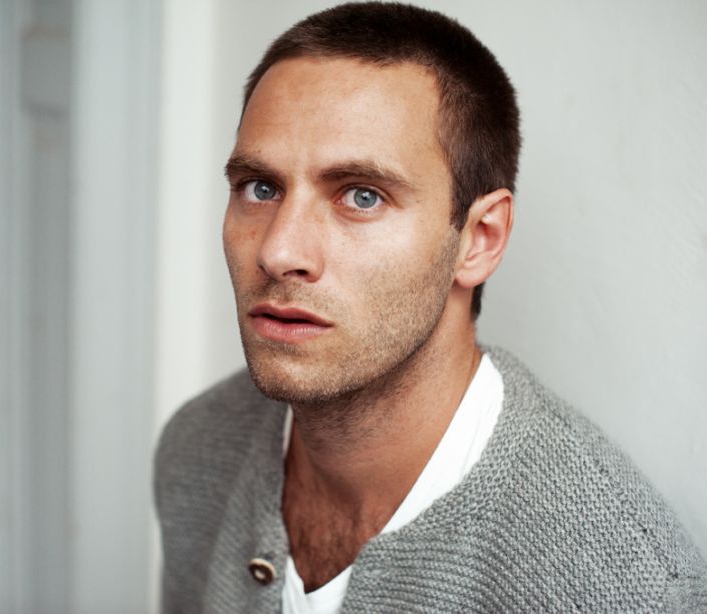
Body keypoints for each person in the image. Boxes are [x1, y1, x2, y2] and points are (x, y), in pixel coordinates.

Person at [154, 3, 707, 612]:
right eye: (260, 188)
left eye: (362, 196)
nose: (279, 251)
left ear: (479, 239)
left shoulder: (617, 584)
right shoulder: (199, 447)